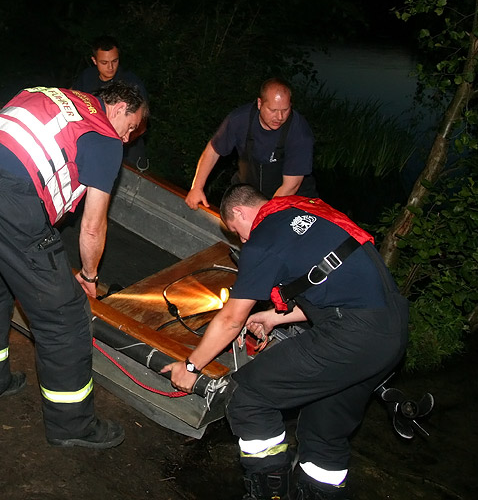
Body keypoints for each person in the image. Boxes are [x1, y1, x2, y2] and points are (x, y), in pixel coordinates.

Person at [164, 184, 408, 499]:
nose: (242, 240)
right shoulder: (310, 211)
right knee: (324, 431)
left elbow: (231, 319)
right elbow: (334, 286)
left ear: (239, 212)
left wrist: (191, 366)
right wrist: (274, 317)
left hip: (352, 336)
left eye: (237, 232)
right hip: (391, 331)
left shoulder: (263, 240)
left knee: (248, 397)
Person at [0, 82, 148, 449]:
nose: (128, 138)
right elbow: (93, 225)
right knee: (64, 317)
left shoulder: (49, 94)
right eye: (130, 127)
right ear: (118, 109)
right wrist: (89, 276)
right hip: (6, 198)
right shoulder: (103, 136)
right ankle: (72, 425)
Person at [185, 77, 316, 209]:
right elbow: (213, 151)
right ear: (259, 103)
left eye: (285, 110)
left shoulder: (299, 132)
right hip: (248, 192)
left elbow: (291, 186)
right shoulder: (240, 119)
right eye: (273, 110)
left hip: (290, 198)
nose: (280, 117)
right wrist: (197, 187)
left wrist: (264, 213)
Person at [72, 35, 150, 170]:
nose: (110, 67)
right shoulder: (87, 76)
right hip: (90, 148)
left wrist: (121, 141)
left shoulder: (132, 83)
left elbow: (143, 124)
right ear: (94, 60)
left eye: (115, 61)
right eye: (104, 62)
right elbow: (72, 99)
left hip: (127, 154)